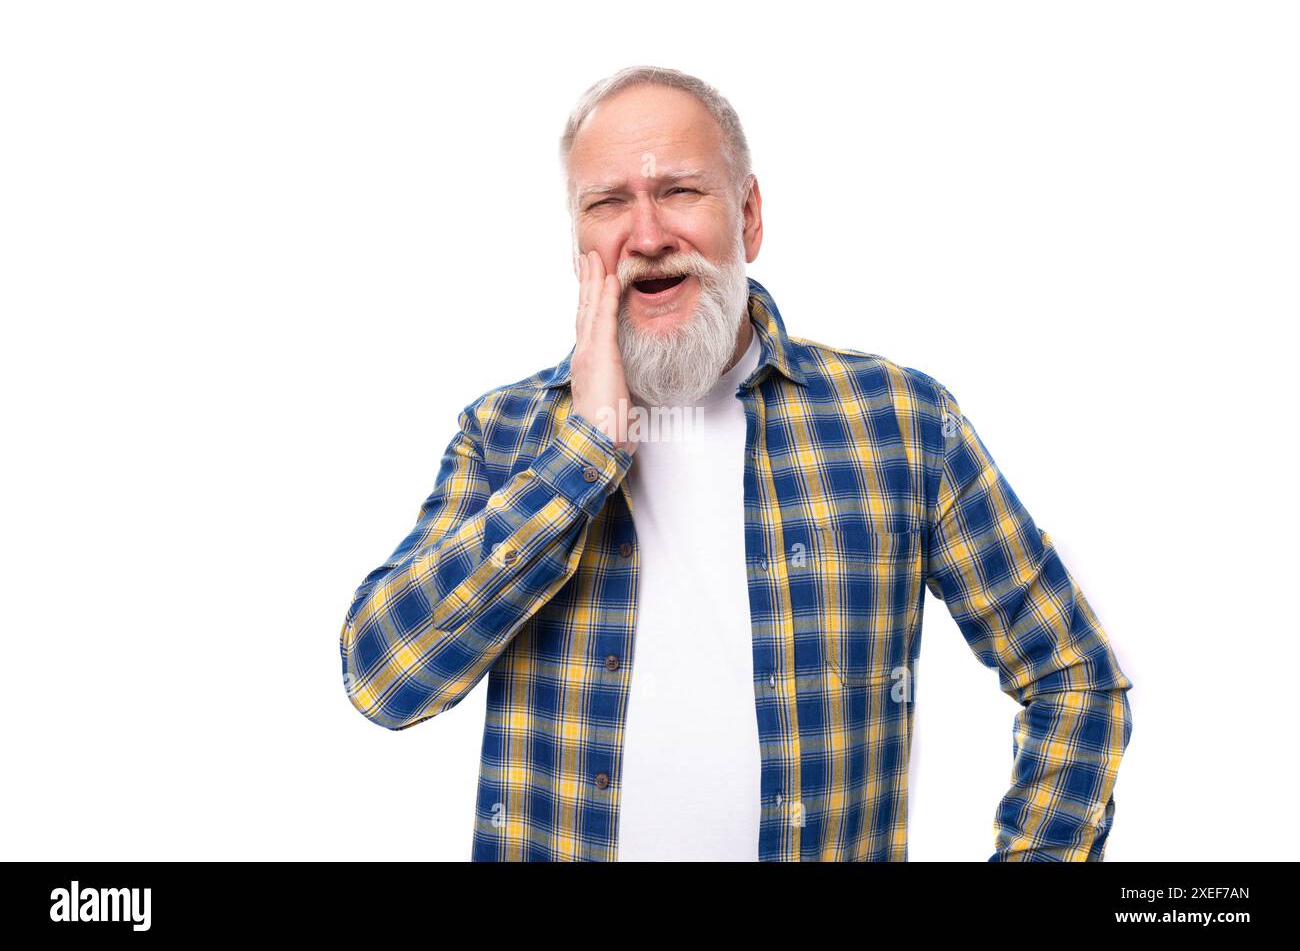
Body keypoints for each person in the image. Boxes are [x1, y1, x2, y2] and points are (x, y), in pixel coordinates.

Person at [338, 65, 1134, 861]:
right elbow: (384, 678)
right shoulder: (504, 434)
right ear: (576, 239)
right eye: (608, 203)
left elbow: (1072, 677)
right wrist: (583, 453)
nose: (647, 236)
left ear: (748, 216)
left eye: (680, 191)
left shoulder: (900, 423)